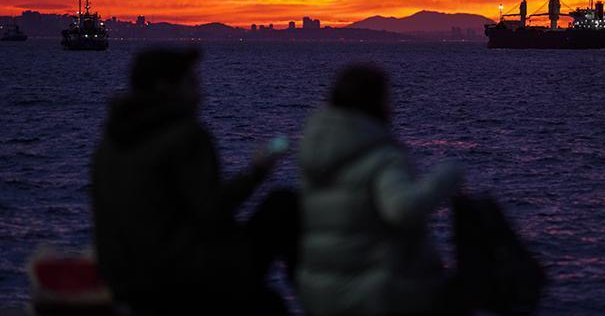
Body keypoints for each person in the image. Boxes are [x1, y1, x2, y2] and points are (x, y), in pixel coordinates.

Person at [90, 48, 297, 314]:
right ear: (165, 87)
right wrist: (257, 172)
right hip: (180, 280)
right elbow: (213, 214)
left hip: (124, 283)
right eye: (192, 83)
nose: (201, 93)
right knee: (283, 206)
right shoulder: (186, 136)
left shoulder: (108, 145)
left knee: (264, 301)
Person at [297, 63, 465, 315]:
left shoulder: (314, 154)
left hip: (318, 297)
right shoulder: (382, 158)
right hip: (374, 297)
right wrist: (447, 176)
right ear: (377, 102)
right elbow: (403, 209)